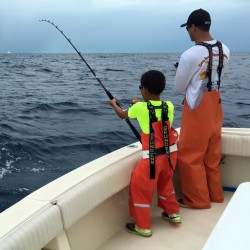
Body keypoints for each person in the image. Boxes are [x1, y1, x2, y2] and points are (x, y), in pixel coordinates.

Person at [109, 70, 181, 237]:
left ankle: (143, 226)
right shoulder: (168, 105)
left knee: (140, 189)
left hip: (152, 161)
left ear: (145, 90)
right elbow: (152, 108)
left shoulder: (139, 108)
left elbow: (122, 115)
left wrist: (113, 104)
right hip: (171, 157)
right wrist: (138, 103)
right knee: (165, 184)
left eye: (141, 87)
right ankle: (173, 213)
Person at [175, 8, 230, 209]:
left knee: (190, 156)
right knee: (212, 155)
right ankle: (215, 195)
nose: (188, 32)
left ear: (194, 27)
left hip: (196, 108)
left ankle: (197, 200)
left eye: (188, 28)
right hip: (216, 107)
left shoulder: (189, 55)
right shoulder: (225, 49)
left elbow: (180, 86)